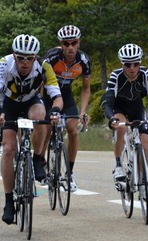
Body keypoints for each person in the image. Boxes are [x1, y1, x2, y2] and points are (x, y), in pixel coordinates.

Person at [0, 34, 63, 225]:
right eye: (21, 57)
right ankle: (8, 201)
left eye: (30, 58)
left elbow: (57, 96)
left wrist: (55, 111)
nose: (25, 62)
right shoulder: (4, 64)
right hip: (8, 104)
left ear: (36, 57)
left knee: (41, 117)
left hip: (31, 102)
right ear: (14, 55)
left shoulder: (44, 67)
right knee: (9, 150)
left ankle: (38, 158)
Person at [104, 44, 148, 201]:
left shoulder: (145, 74)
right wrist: (112, 118)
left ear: (140, 63)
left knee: (144, 144)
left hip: (137, 108)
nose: (132, 68)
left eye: (136, 64)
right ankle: (118, 165)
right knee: (121, 129)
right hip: (119, 108)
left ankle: (143, 182)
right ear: (121, 64)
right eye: (127, 64)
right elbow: (108, 103)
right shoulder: (116, 76)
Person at [41, 25, 91, 192]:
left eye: (74, 43)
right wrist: (42, 106)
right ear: (61, 44)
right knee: (46, 128)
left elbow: (85, 88)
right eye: (66, 43)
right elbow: (40, 84)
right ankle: (41, 160)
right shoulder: (52, 57)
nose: (70, 47)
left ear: (79, 43)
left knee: (73, 130)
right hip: (48, 93)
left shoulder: (84, 61)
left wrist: (83, 112)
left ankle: (69, 173)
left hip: (66, 94)